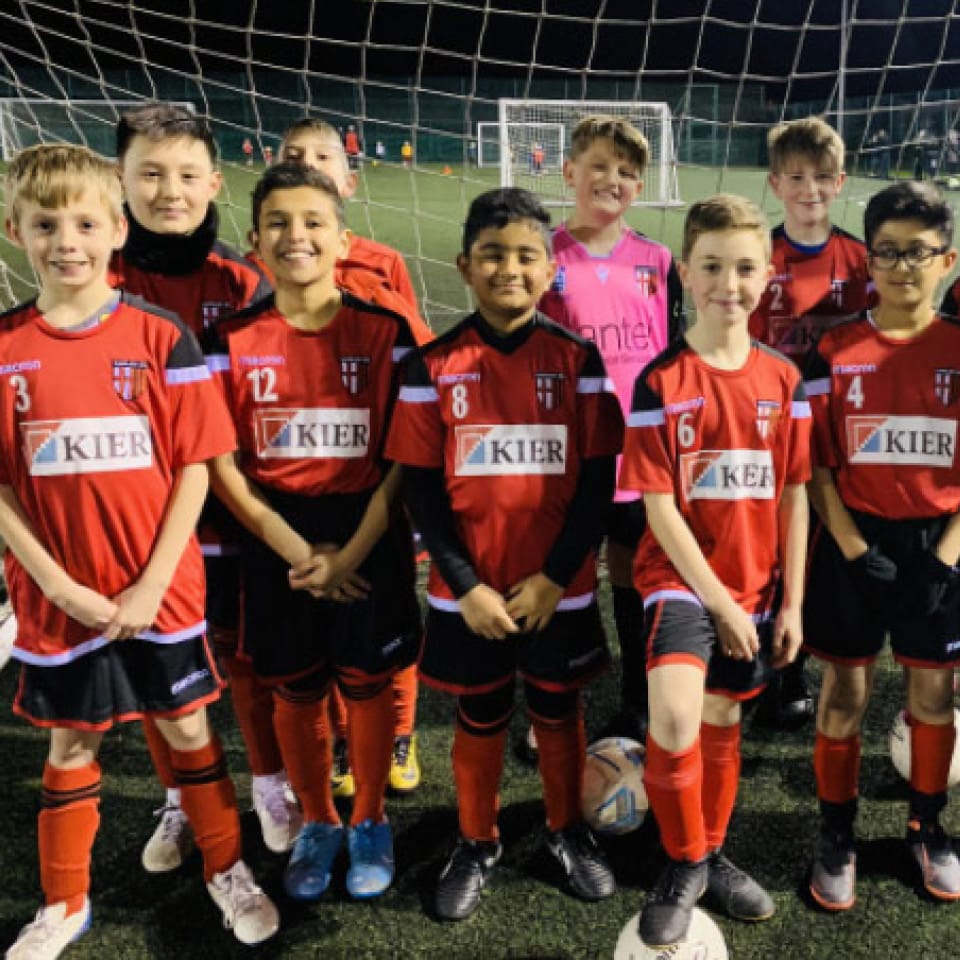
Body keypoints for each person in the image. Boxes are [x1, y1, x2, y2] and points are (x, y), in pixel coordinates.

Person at [0, 143, 279, 957]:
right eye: (46, 225)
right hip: (58, 597)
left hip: (163, 590)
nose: (67, 242)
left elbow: (196, 467)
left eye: (86, 224)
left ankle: (227, 870)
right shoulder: (6, 346)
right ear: (15, 231)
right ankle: (64, 904)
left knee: (189, 731)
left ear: (117, 230)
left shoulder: (161, 337)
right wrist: (60, 587)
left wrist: (152, 584)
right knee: (71, 744)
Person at [386, 187, 623, 921]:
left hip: (560, 589)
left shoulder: (578, 361)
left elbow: (597, 482)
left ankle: (566, 829)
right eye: (492, 254)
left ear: (550, 269)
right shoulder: (432, 365)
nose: (509, 269)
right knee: (481, 709)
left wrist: (554, 578)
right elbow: (421, 491)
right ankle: (476, 839)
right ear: (464, 265)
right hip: (471, 593)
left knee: (558, 706)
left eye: (526, 256)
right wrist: (465, 586)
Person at [206, 163, 422, 902]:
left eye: (312, 221)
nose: (295, 235)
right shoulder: (227, 341)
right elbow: (221, 465)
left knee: (367, 684)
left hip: (368, 530)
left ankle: (370, 817)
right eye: (278, 222)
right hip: (275, 539)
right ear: (255, 240)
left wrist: (350, 553)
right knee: (296, 691)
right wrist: (301, 554)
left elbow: (403, 457)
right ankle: (319, 822)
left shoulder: (387, 334)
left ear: (343, 240)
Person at [110, 102, 301, 872]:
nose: (170, 191)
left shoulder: (244, 281)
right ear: (120, 178)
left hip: (230, 513)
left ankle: (268, 783)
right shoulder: (101, 279)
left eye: (187, 175)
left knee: (245, 656)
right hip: (137, 519)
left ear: (215, 182)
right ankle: (179, 797)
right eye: (151, 174)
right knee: (160, 666)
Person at [619, 194, 811, 948]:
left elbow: (795, 495)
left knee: (723, 719)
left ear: (766, 275)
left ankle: (711, 849)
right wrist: (720, 605)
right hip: (680, 579)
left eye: (744, 268)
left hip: (757, 583)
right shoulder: (661, 381)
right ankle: (683, 862)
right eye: (712, 267)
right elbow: (659, 507)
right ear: (687, 273)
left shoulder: (785, 380)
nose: (729, 284)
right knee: (673, 717)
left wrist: (791, 603)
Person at [803, 180, 960, 910]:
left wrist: (944, 560)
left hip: (939, 546)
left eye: (919, 252)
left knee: (933, 693)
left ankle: (928, 828)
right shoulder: (834, 350)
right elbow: (816, 466)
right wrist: (853, 549)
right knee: (845, 691)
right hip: (855, 541)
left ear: (947, 260)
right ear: (868, 259)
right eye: (888, 252)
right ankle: (836, 834)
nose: (903, 266)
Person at [266, 116, 429, 797]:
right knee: (315, 625)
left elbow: (415, 361)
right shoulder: (266, 266)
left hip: (374, 478)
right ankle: (337, 744)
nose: (308, 164)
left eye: (322, 157)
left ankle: (401, 731)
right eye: (293, 153)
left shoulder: (382, 266)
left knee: (386, 611)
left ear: (348, 180)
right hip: (295, 483)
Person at [538, 114, 684, 750]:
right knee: (561, 580)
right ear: (570, 172)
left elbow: (671, 355)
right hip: (567, 454)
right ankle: (552, 704)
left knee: (631, 580)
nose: (611, 179)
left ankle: (635, 702)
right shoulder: (541, 255)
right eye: (598, 165)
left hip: (636, 456)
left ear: (639, 186)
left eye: (626, 172)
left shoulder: (658, 260)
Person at [749, 115, 874, 726]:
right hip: (768, 426)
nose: (810, 189)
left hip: (839, 431)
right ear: (775, 184)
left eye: (822, 177)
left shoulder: (861, 261)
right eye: (796, 177)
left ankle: (810, 660)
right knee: (768, 544)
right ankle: (772, 665)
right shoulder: (757, 257)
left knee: (823, 546)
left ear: (840, 181)